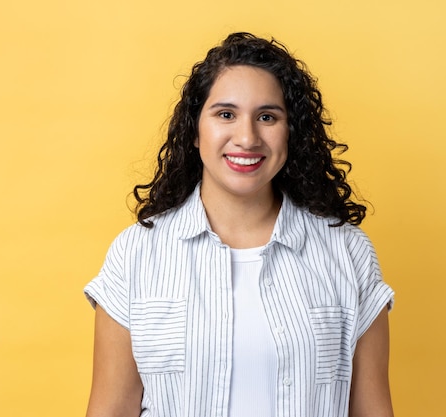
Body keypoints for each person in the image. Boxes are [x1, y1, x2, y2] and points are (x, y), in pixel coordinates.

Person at [84, 32, 394, 417]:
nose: (247, 137)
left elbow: (373, 410)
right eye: (225, 114)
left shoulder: (348, 252)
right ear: (195, 132)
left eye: (267, 116)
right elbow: (111, 410)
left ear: (290, 132)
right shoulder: (135, 254)